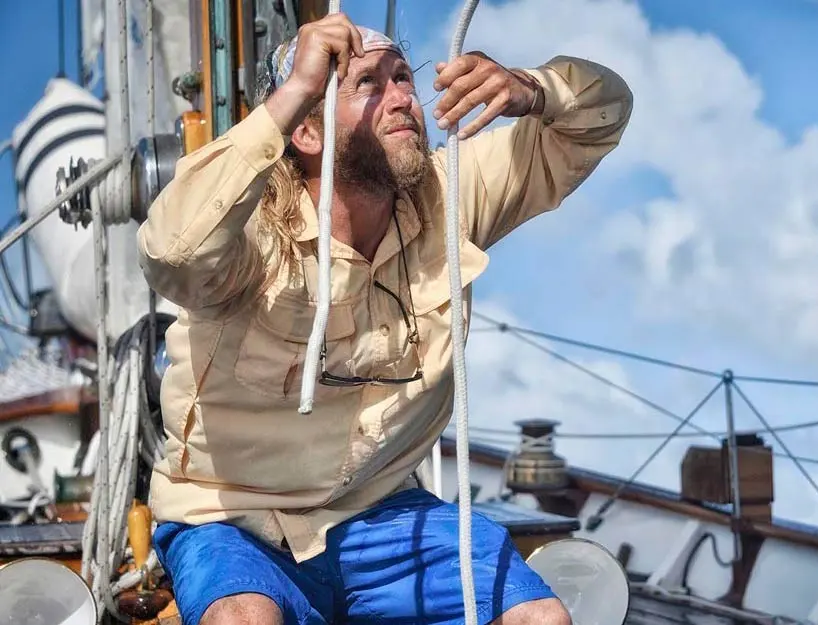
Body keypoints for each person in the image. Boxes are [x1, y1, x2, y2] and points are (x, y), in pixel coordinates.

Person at [136, 12, 632, 625]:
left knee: (541, 617)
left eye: (405, 78)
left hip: (383, 515)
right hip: (233, 519)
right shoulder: (253, 228)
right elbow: (174, 251)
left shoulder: (452, 196)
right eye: (370, 83)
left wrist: (533, 90)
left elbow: (600, 119)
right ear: (308, 134)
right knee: (244, 618)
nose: (404, 99)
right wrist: (293, 92)